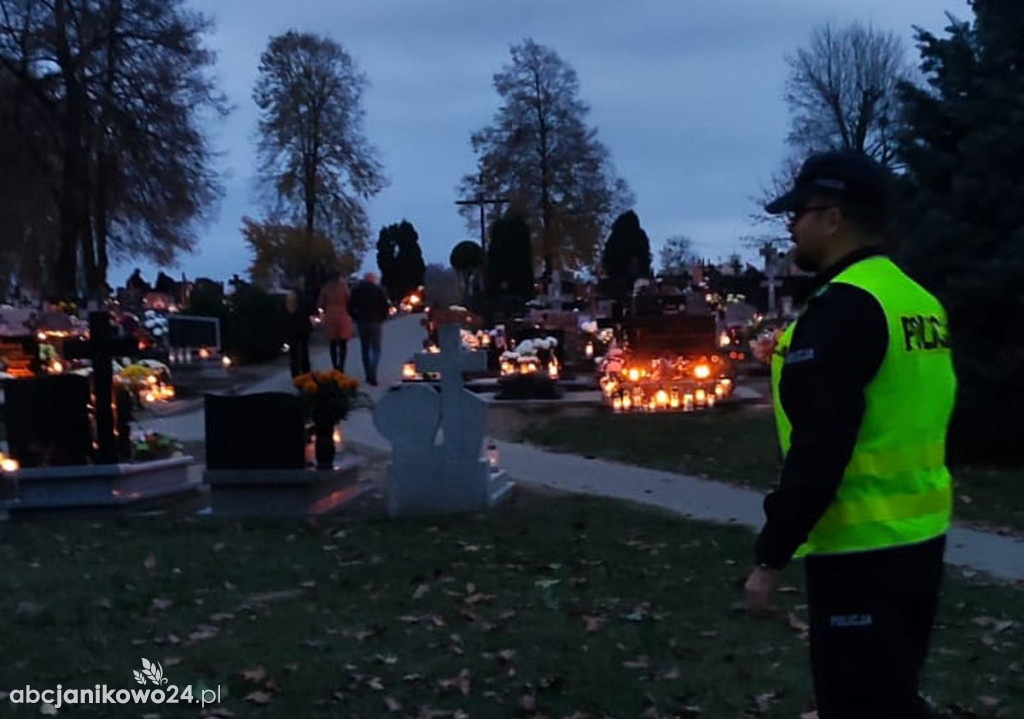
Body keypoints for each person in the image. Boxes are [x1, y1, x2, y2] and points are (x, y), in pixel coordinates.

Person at [743, 150, 957, 719]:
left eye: (800, 212)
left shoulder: (843, 310)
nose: (791, 224)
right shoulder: (915, 300)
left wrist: (771, 554)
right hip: (920, 537)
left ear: (833, 217)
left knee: (859, 705)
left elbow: (821, 446)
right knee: (892, 697)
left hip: (860, 550)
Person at [348, 272, 389, 386]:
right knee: (376, 349)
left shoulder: (357, 290)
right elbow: (385, 307)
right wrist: (382, 318)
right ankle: (373, 372)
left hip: (362, 322)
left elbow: (350, 306)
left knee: (365, 349)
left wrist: (355, 317)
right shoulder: (378, 290)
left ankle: (368, 374)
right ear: (373, 279)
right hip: (375, 322)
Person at [318, 270, 353, 372]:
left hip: (330, 315)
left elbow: (320, 304)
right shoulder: (344, 287)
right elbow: (349, 299)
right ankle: (342, 366)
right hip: (342, 315)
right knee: (343, 343)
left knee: (332, 343)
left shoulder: (326, 288)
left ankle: (334, 366)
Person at [284, 278, 312, 378]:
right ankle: (306, 373)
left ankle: (295, 375)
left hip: (292, 328)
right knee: (305, 352)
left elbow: (283, 312)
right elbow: (311, 310)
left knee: (294, 354)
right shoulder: (305, 297)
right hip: (304, 327)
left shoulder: (288, 297)